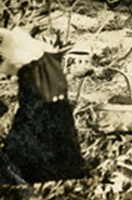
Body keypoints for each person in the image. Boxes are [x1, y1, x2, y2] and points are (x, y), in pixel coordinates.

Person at [0, 28, 87, 192]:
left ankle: (21, 184)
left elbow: (9, 66)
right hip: (53, 109)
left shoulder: (30, 69)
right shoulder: (44, 61)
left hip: (42, 109)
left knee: (22, 149)